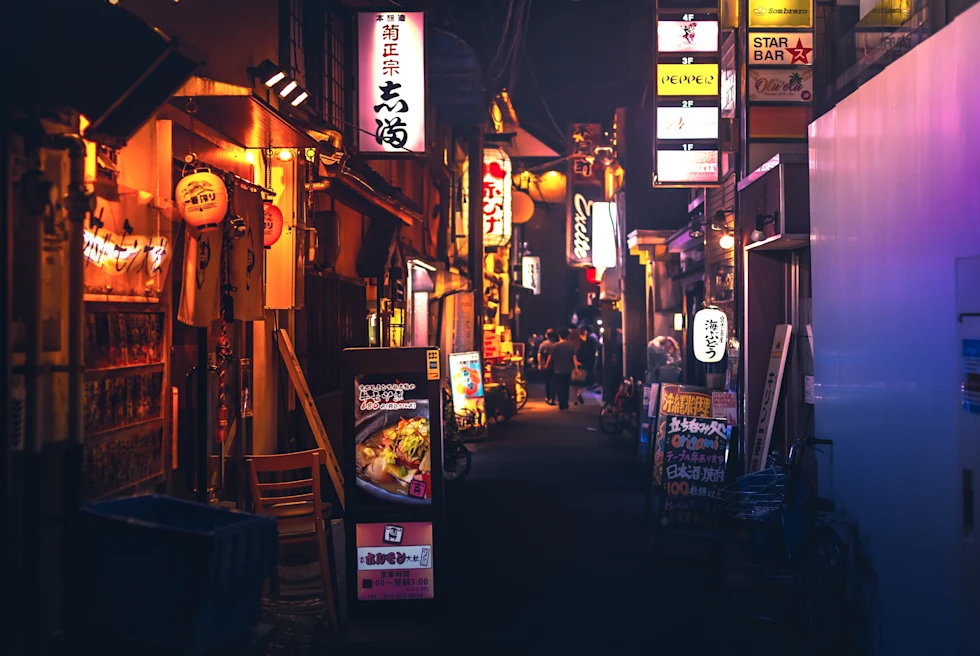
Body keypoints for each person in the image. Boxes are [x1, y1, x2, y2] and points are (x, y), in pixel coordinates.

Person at [545, 328, 580, 411]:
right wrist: (576, 368)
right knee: (566, 387)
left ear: (559, 335)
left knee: (559, 387)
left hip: (558, 370)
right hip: (568, 369)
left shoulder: (555, 346)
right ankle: (566, 404)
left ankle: (562, 405)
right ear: (568, 336)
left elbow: (550, 357)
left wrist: (546, 365)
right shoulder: (571, 346)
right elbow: (574, 358)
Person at [574, 325, 599, 405]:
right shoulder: (590, 340)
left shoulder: (576, 341)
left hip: (577, 361)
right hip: (587, 361)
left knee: (575, 380)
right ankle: (579, 394)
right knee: (582, 379)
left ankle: (576, 397)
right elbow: (596, 348)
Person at [537, 328, 559, 405]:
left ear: (546, 335)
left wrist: (540, 364)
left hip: (546, 365)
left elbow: (539, 354)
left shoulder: (543, 344)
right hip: (556, 365)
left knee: (547, 382)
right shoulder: (556, 344)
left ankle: (548, 397)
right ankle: (552, 398)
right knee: (554, 382)